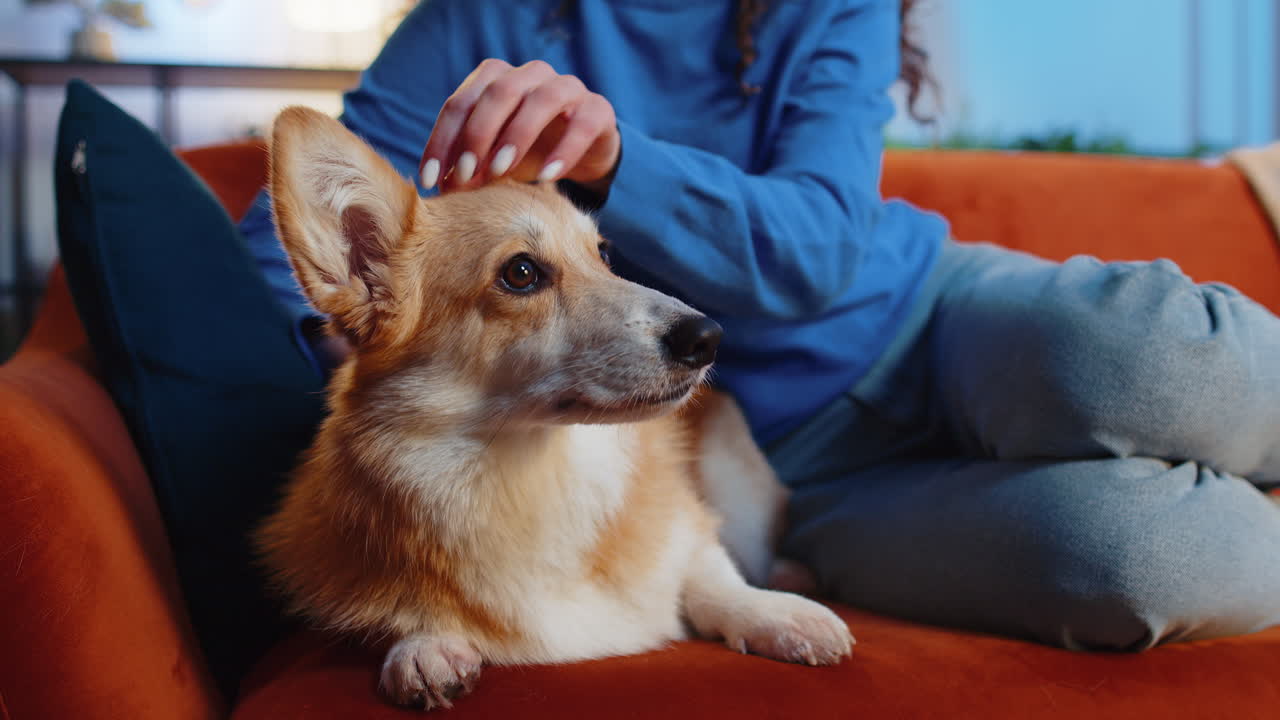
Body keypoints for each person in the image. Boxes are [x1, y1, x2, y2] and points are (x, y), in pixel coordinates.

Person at [239, 0, 1280, 652]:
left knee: (1156, 363)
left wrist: (613, 160)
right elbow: (277, 268)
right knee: (1148, 561)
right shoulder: (477, 22)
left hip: (928, 317)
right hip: (778, 473)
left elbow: (816, 252)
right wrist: (397, 341)